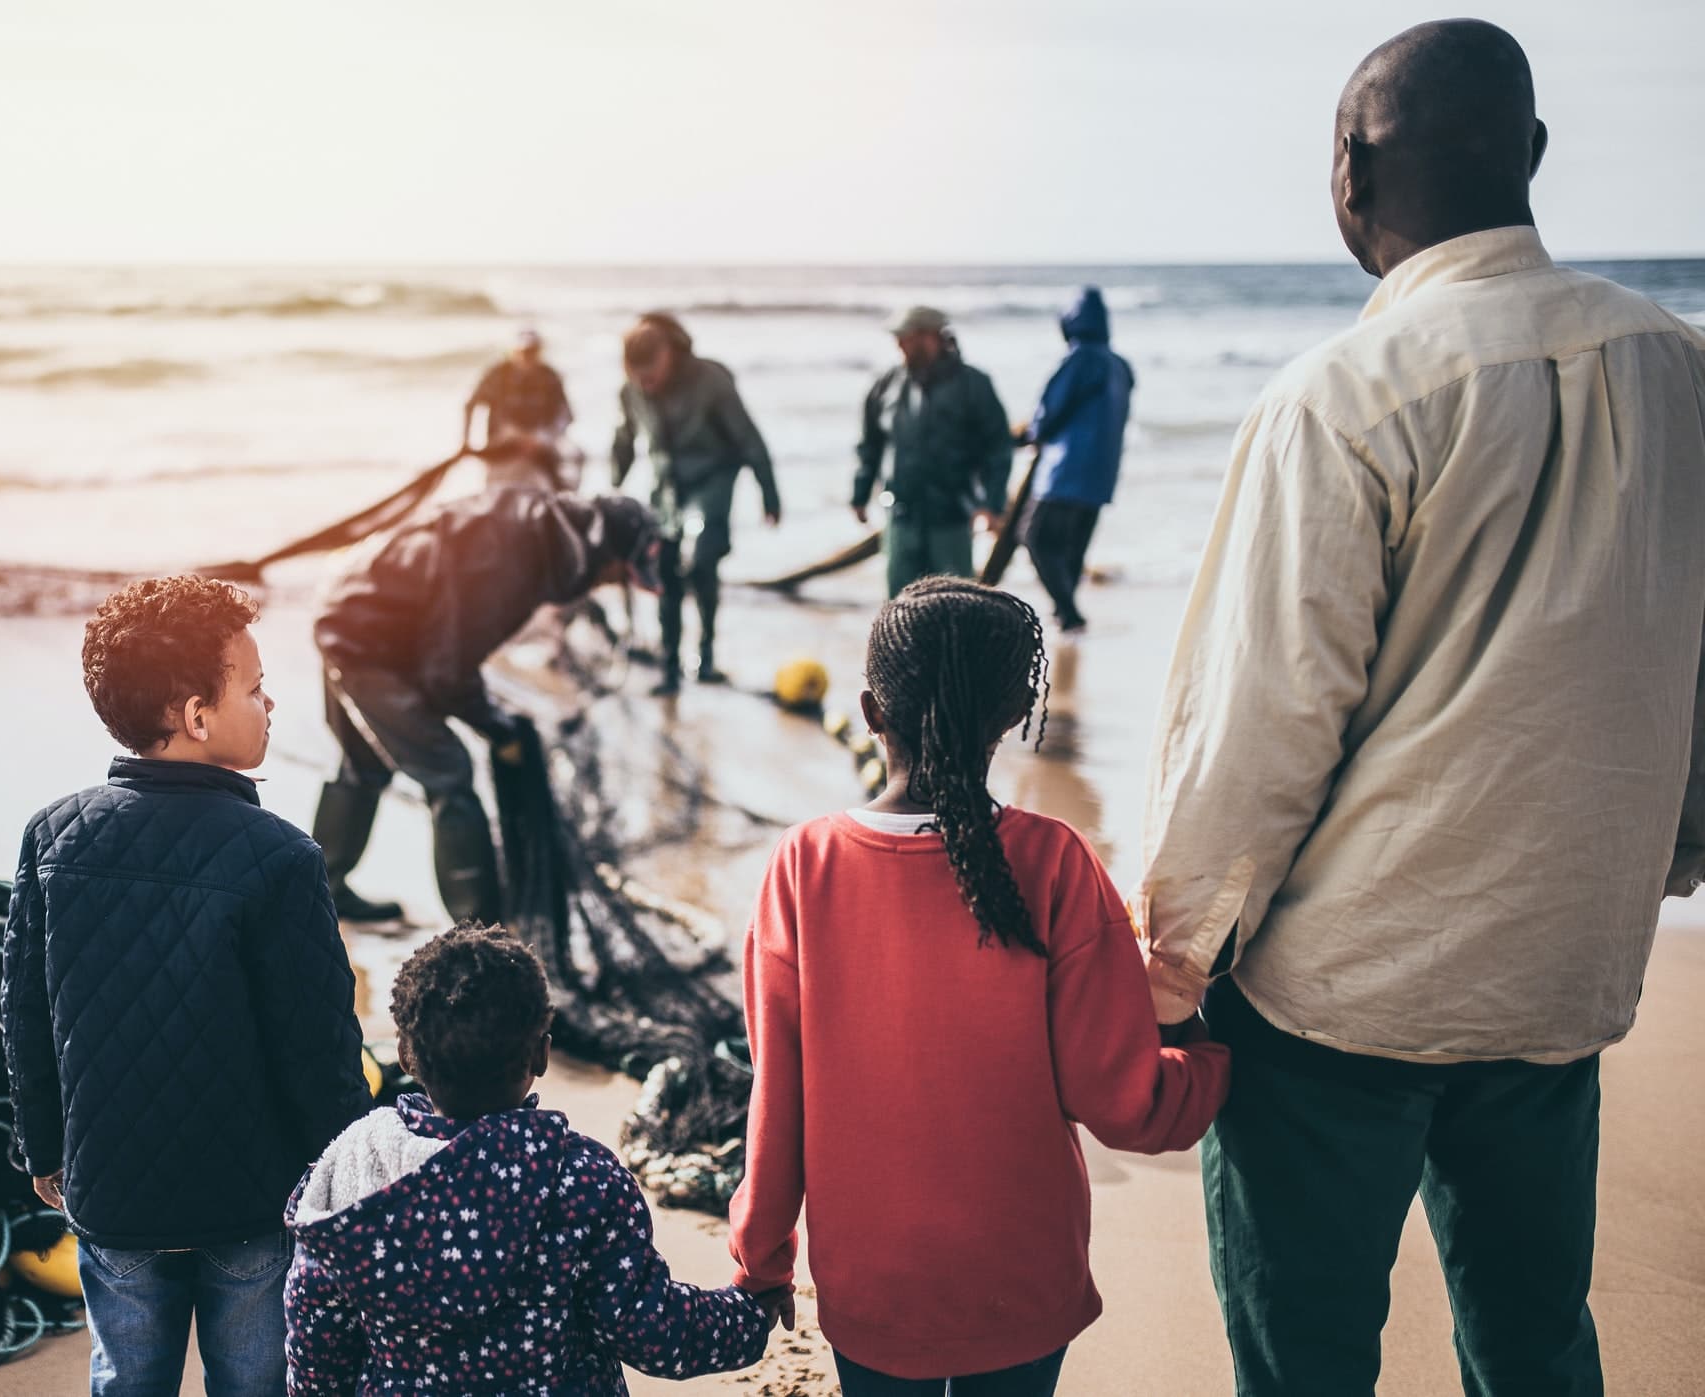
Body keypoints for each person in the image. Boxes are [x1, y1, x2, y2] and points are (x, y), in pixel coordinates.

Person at [1137, 20, 1705, 1396]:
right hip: (1562, 970)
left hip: (1342, 999)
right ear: (1536, 157)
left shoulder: (1342, 399)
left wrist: (1168, 971)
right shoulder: (1682, 370)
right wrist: (1666, 861)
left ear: (1348, 170)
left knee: (1308, 1357)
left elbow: (1261, 729)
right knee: (1534, 1340)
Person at [728, 578, 1230, 1394]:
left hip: (873, 1284)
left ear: (869, 710)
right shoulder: (1057, 861)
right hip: (1023, 1279)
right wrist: (1206, 1051)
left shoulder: (802, 866)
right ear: (1008, 720)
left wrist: (762, 1255)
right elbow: (1125, 1104)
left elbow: (777, 1102)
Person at [1, 576, 372, 1397]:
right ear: (199, 715)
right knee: (256, 1381)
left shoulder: (52, 835)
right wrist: (345, 1172)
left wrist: (43, 1144)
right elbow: (317, 1045)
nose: (270, 702)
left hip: (110, 1191)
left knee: (128, 1378)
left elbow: (24, 1010)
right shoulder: (281, 857)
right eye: (255, 686)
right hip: (248, 1204)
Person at [285, 926, 789, 1394]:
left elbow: (316, 1340)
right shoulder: (583, 1179)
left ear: (406, 1055)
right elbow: (651, 1330)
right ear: (541, 1055)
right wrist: (745, 1314)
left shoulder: (354, 1174)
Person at [310, 489, 660, 924]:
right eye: (616, 575)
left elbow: (444, 646)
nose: (610, 584)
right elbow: (448, 671)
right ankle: (479, 929)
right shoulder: (515, 559)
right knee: (448, 770)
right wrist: (496, 727)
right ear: (603, 551)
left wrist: (491, 718)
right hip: (363, 637)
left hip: (355, 611)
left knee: (363, 765)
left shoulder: (539, 528)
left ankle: (321, 894)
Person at [612, 312, 780, 693]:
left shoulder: (711, 379)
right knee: (663, 571)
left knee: (703, 563)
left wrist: (769, 493)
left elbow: (749, 438)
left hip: (712, 481)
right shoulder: (630, 390)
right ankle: (670, 670)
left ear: (668, 354)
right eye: (637, 377)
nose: (645, 384)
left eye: (651, 375)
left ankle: (706, 656)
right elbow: (624, 438)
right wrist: (614, 488)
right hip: (665, 487)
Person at [853, 307, 1013, 598]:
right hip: (900, 514)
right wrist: (860, 495)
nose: (899, 344)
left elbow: (998, 447)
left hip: (952, 514)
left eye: (906, 337)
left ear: (931, 338)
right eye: (898, 338)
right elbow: (870, 444)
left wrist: (992, 504)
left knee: (957, 603)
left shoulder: (973, 384)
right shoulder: (887, 384)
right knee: (899, 607)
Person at [1021, 287, 1134, 633]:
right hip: (1102, 471)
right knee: (1072, 548)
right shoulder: (1120, 365)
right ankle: (1067, 615)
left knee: (1036, 537)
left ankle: (1068, 613)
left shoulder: (1080, 359)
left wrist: (1033, 434)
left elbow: (1052, 409)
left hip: (1065, 470)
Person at [462, 328, 580, 491]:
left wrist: (543, 438)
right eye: (523, 352)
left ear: (539, 351)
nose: (527, 357)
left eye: (532, 351)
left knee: (577, 457)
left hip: (540, 444)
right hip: (502, 443)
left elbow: (566, 415)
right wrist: (466, 442)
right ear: (513, 351)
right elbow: (470, 404)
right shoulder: (497, 375)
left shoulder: (550, 377)